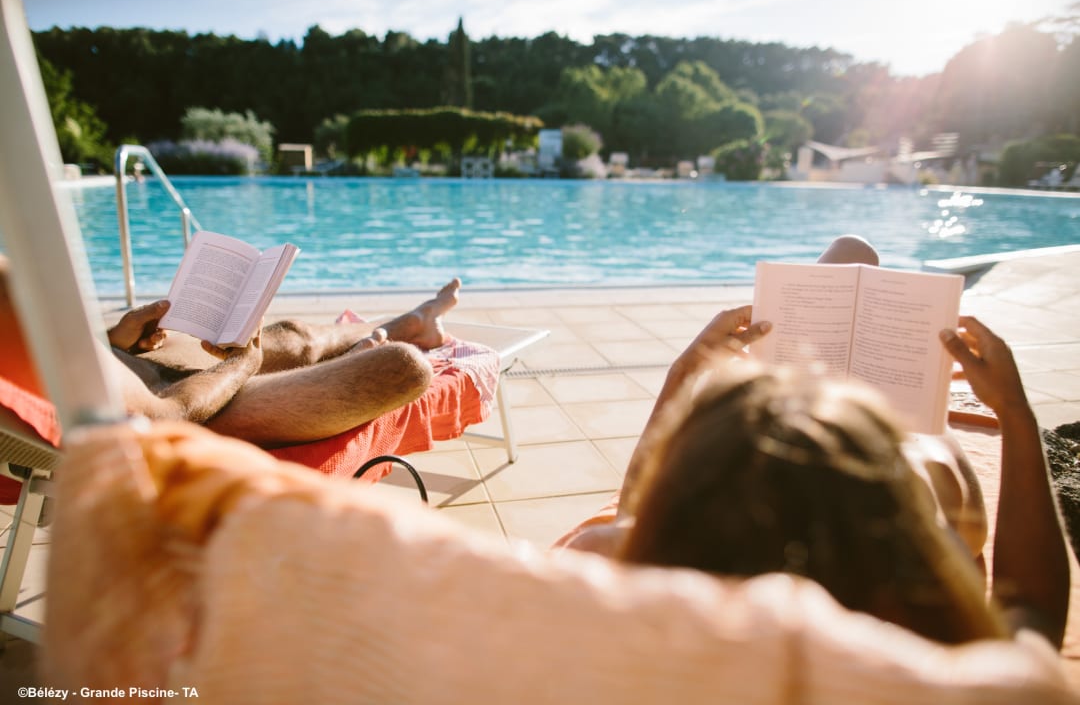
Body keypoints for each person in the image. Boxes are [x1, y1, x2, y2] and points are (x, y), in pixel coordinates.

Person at [562, 236, 1070, 648]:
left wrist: (683, 373)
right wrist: (1015, 413)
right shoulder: (910, 613)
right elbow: (1031, 613)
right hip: (908, 467)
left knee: (850, 251)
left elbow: (635, 512)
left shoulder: (629, 563)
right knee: (856, 256)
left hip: (850, 462)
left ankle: (832, 322)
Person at [0, 251, 463, 447]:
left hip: (131, 373)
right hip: (153, 418)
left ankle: (411, 322)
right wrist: (245, 364)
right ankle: (395, 338)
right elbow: (167, 416)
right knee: (403, 370)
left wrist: (111, 343)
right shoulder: (8, 289)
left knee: (295, 336)